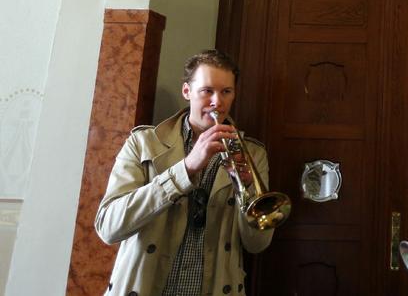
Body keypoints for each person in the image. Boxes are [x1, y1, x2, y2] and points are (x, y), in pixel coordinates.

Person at [95, 49, 275, 296]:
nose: (217, 102)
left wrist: (248, 194)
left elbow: (257, 245)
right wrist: (186, 168)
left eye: (226, 92)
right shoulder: (143, 143)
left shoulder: (253, 154)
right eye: (207, 91)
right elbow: (108, 228)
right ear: (187, 92)